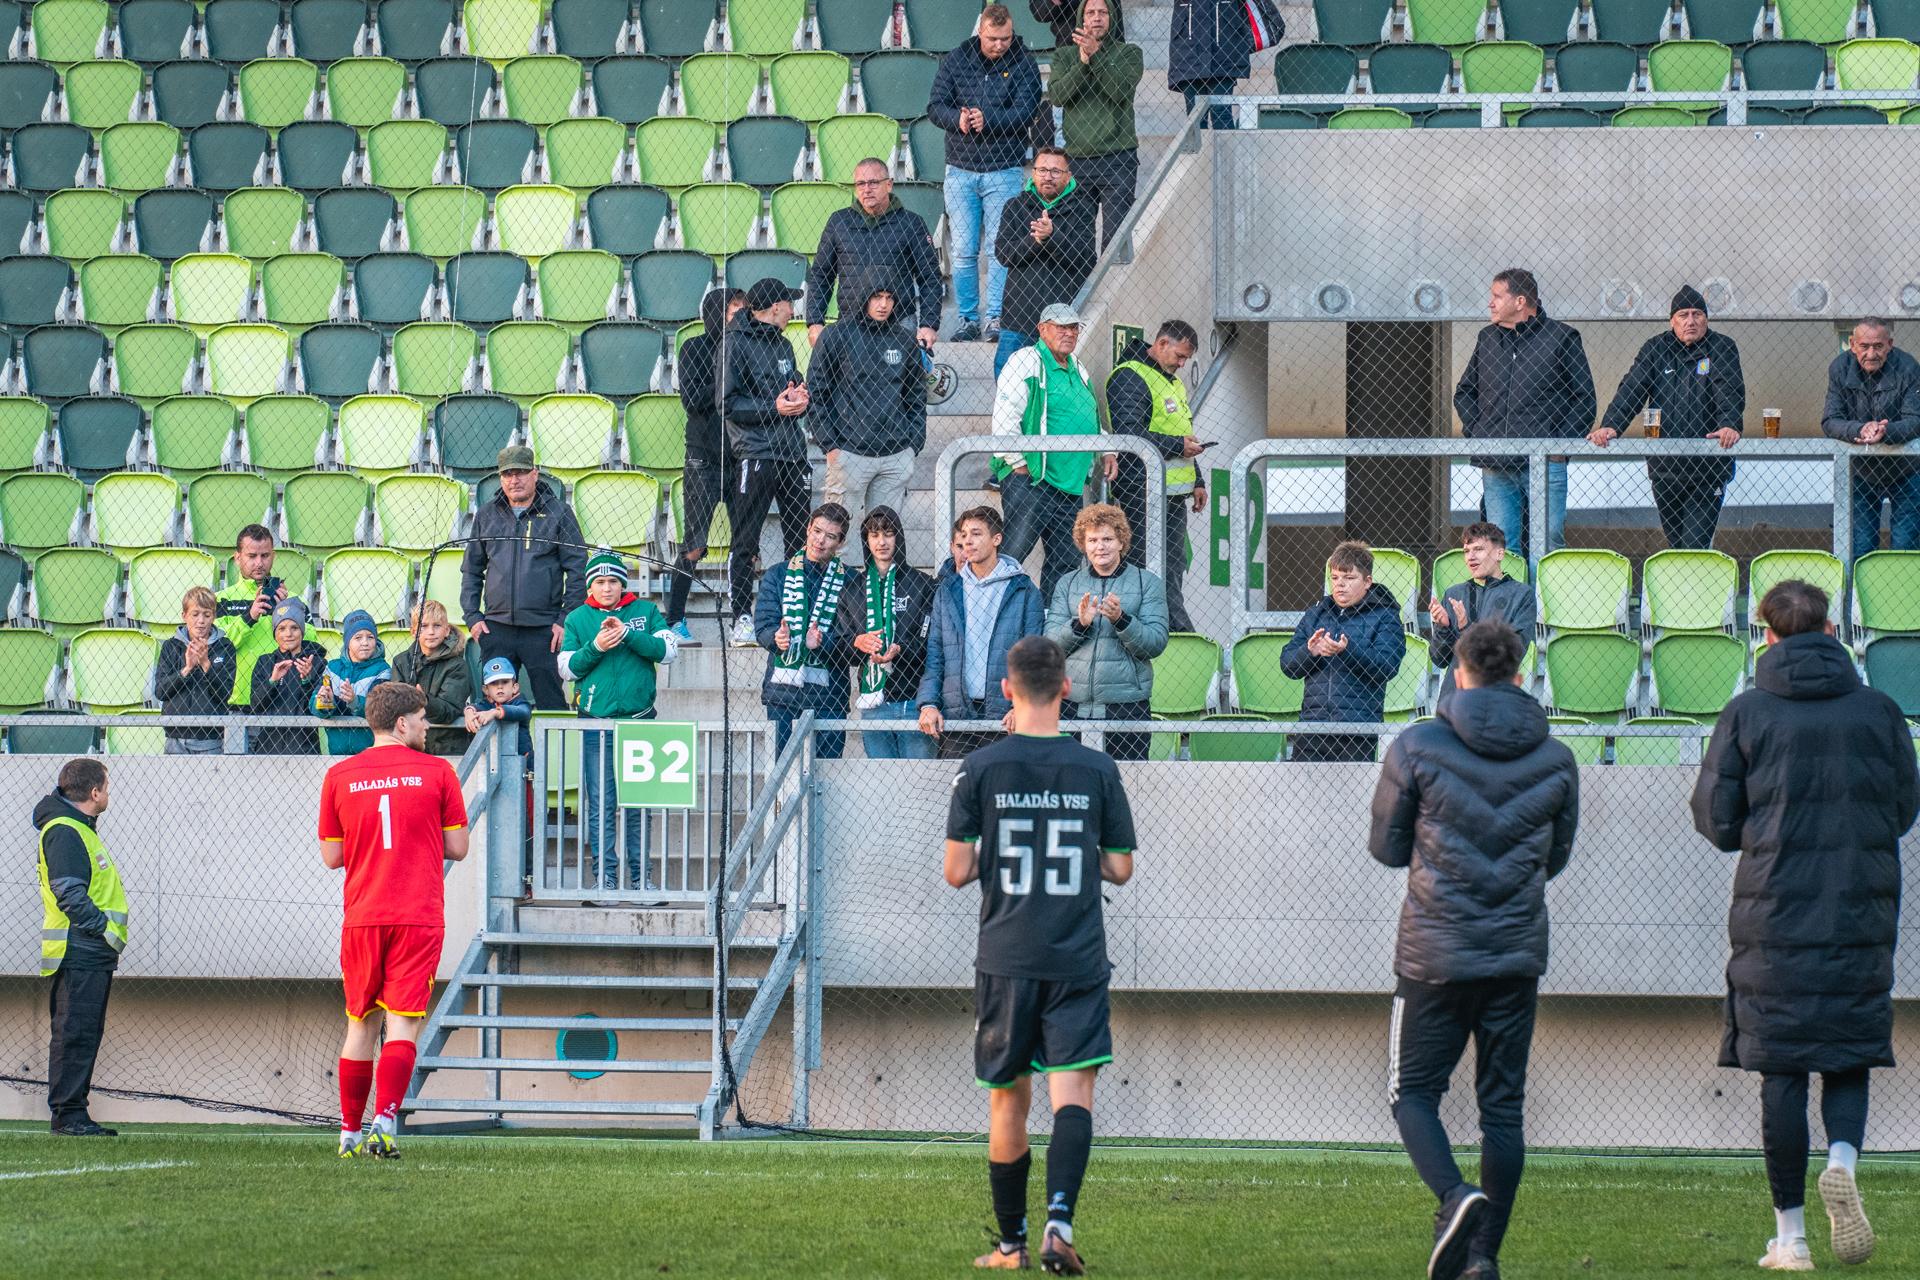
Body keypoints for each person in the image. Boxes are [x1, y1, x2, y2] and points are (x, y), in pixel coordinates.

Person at [1691, 579, 1920, 1272]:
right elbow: (1903, 808)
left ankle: (1790, 1239)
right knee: (1848, 1054)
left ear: (1766, 635)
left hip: (1774, 911)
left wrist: (1766, 831)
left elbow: (1716, 819)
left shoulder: (1746, 712)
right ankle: (1842, 1161)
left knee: (1782, 1070)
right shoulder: (1880, 711)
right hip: (1860, 907)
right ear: (1830, 631)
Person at [1369, 619, 1580, 1280]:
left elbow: (1387, 848)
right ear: (1518, 675)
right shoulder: (1556, 757)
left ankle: (1454, 1196)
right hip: (1515, 953)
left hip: (1435, 950)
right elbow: (1555, 858)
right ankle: (1483, 1257)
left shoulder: (1418, 744)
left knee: (1412, 1093)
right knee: (1503, 1110)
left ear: (1458, 673)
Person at [943, 635, 1136, 1275]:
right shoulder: (1098, 769)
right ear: (1066, 689)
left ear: (1007, 689)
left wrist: (1002, 845)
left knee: (1008, 1101)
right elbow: (1120, 867)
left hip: (1007, 957)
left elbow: (956, 870)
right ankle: (1060, 1224)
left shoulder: (980, 768)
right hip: (1076, 955)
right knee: (1072, 1092)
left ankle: (1011, 1246)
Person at [319, 682, 470, 1159]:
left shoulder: (339, 775)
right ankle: (384, 1124)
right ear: (402, 723)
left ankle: (348, 1134)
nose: (427, 727)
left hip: (363, 915)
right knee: (403, 1024)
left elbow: (331, 856)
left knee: (360, 1025)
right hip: (416, 915)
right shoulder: (438, 771)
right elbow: (459, 848)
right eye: (423, 719)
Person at [1454, 268, 1596, 559]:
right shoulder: (1487, 338)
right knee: (1502, 548)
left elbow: (1584, 399)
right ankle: (1512, 592)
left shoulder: (1562, 338)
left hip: (1545, 463)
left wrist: (1558, 447)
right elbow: (1465, 392)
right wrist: (1480, 433)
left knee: (1548, 544)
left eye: (1497, 296)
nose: (1490, 303)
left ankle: (1542, 593)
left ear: (1520, 301)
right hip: (1496, 463)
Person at [559, 551, 679, 895]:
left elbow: (669, 652)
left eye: (613, 581)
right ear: (590, 586)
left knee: (640, 804)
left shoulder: (646, 611)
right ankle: (605, 879)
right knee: (601, 804)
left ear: (623, 584)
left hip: (640, 722)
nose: (607, 588)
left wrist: (628, 635)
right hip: (596, 725)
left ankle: (641, 879)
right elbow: (566, 669)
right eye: (599, 582)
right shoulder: (578, 618)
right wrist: (596, 647)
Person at [1591, 285, 1745, 551]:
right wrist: (1611, 425)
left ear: (1706, 319)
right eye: (1683, 315)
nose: (1690, 321)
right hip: (1665, 469)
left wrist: (1729, 425)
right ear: (1672, 320)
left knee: (1694, 546)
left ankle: (1695, 577)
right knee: (1676, 545)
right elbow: (1632, 389)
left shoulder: (1722, 347)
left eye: (1697, 314)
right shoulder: (1656, 349)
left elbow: (1729, 391)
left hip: (1708, 469)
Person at [927, 4, 1043, 345]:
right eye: (993, 39)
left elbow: (1027, 111)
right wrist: (958, 119)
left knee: (998, 249)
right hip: (960, 169)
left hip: (1004, 169)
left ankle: (996, 317)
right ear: (981, 32)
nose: (1000, 45)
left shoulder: (1024, 61)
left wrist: (987, 119)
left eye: (1005, 38)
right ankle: (967, 320)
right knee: (963, 250)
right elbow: (935, 106)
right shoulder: (957, 58)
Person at [992, 303, 1118, 603]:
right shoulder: (1025, 361)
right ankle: (994, 616)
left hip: (1069, 486)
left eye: (1073, 327)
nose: (1068, 333)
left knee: (1065, 563)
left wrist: (1107, 449)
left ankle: (1051, 623)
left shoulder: (1078, 366)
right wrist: (1019, 463)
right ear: (1042, 329)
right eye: (1061, 327)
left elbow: (1087, 420)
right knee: (1012, 557)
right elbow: (1005, 417)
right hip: (1033, 479)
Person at [36, 757, 126, 1137]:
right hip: (80, 951)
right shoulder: (66, 830)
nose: (108, 794)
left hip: (88, 952)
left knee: (83, 1034)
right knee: (74, 1035)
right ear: (94, 792)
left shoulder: (77, 829)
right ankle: (68, 1117)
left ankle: (73, 1115)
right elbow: (70, 894)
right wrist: (104, 932)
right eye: (106, 787)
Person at [461, 444, 587, 710]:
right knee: (494, 705)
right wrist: (472, 616)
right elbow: (472, 569)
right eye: (507, 474)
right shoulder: (487, 514)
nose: (514, 480)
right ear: (500, 478)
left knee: (551, 703)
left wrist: (565, 619)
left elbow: (578, 569)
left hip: (544, 629)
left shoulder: (559, 513)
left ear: (534, 474)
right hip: (496, 627)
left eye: (520, 472)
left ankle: (555, 741)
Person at [725, 276, 814, 647]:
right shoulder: (734, 343)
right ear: (775, 306)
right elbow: (728, 405)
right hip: (756, 453)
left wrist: (799, 396)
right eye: (789, 303)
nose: (793, 311)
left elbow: (790, 389)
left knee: (800, 540)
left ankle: (795, 615)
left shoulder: (784, 344)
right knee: (746, 539)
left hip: (792, 452)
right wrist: (773, 407)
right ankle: (741, 618)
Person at [918, 506, 1045, 759]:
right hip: (956, 715)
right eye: (964, 535)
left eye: (976, 534)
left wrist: (1024, 705)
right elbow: (936, 654)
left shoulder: (1023, 589)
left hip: (1006, 717)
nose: (967, 541)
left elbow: (1035, 657)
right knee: (957, 783)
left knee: (1003, 784)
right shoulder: (948, 589)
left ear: (996, 539)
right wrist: (928, 704)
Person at [1044, 503, 1168, 761]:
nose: (1100, 547)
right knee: (1072, 780)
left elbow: (1155, 643)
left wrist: (1121, 620)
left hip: (1126, 708)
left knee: (1127, 780)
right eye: (1092, 540)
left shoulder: (1147, 583)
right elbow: (1050, 647)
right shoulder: (1067, 583)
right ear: (1083, 544)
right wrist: (1079, 625)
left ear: (1121, 541)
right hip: (1071, 706)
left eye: (1108, 539)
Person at [810, 273, 927, 536]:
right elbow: (817, 391)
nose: (883, 304)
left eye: (889, 298)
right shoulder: (836, 336)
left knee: (884, 541)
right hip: (848, 451)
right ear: (864, 297)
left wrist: (914, 443)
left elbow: (916, 394)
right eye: (877, 297)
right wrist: (830, 445)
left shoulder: (904, 339)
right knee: (839, 538)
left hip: (895, 453)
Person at [1107, 319, 1205, 631]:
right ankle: (1165, 630)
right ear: (1161, 344)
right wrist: (1178, 445)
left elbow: (1181, 432)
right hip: (1142, 489)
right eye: (1180, 356)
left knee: (1172, 565)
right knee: (1146, 565)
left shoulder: (1172, 382)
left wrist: (1197, 480)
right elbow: (1130, 434)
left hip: (1172, 493)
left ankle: (1169, 628)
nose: (1182, 363)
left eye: (1186, 358)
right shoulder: (1129, 376)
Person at [665, 286, 746, 645]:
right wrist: (727, 376)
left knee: (745, 545)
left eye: (743, 311)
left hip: (741, 455)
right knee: (694, 544)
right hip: (703, 457)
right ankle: (674, 621)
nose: (740, 317)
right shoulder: (695, 348)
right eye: (733, 310)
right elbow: (694, 400)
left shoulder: (747, 346)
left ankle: (741, 619)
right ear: (717, 313)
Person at [1280, 541, 1407, 763]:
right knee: (1303, 785)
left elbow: (1387, 667)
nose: (1340, 584)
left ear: (1367, 581)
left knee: (1355, 786)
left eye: (1349, 578)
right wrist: (1310, 651)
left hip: (1357, 730)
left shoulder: (1385, 616)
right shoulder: (1316, 614)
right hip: (1312, 727)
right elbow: (1288, 665)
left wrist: (1348, 651)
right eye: (1335, 577)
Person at [804, 159, 942, 355]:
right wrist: (814, 322)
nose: (866, 189)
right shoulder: (839, 222)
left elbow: (930, 277)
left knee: (901, 375)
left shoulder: (911, 223)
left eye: (873, 182)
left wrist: (929, 324)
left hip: (899, 323)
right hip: (850, 323)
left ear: (889, 184)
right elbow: (821, 275)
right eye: (860, 184)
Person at [838, 505, 937, 760]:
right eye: (874, 535)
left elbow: (931, 640)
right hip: (873, 701)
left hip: (914, 700)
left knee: (919, 778)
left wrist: (900, 649)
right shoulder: (852, 589)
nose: (881, 542)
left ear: (898, 537)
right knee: (879, 779)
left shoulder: (922, 583)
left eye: (888, 534)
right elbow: (841, 644)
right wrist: (858, 643)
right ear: (866, 541)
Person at [755, 504, 852, 760]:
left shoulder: (850, 579)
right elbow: (763, 625)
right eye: (817, 531)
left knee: (829, 772)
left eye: (830, 536)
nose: (820, 540)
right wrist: (777, 638)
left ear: (840, 542)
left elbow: (853, 639)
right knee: (782, 769)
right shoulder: (777, 574)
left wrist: (823, 642)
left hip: (831, 695)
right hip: (783, 695)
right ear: (808, 529)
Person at [993, 148, 1099, 379]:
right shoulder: (1015, 206)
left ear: (1068, 176)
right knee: (1008, 382)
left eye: (1055, 171)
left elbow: (1085, 259)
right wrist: (1036, 241)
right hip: (1018, 316)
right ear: (1033, 173)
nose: (1047, 176)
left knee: (1055, 386)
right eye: (1042, 170)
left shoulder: (1082, 209)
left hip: (1060, 321)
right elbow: (1004, 253)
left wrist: (1052, 237)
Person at [1820, 317, 1920, 561]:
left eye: (1878, 346)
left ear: (1890, 345)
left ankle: (1903, 588)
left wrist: (1887, 431)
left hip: (1905, 469)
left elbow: (1915, 420)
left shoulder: (1908, 367)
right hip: (1860, 470)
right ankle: (1858, 589)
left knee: (1905, 548)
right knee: (1861, 548)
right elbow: (1830, 420)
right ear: (1852, 344)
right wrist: (1860, 428)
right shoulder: (1840, 368)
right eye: (1864, 346)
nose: (1871, 354)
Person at [1047, 0, 1141, 249]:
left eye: (1103, 12)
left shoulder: (1129, 53)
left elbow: (1119, 91)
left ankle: (1112, 278)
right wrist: (1083, 63)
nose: (1097, 18)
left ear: (1112, 17)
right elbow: (1057, 96)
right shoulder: (1064, 55)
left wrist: (1096, 55)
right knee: (1078, 245)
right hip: (1077, 161)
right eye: (1091, 12)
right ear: (1082, 18)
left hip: (1118, 160)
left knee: (1114, 244)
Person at [1427, 523, 1535, 701]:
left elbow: (1513, 654)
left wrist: (1465, 628)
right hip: (1454, 701)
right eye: (1466, 551)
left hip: (1496, 700)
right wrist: (1442, 628)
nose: (1471, 557)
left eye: (1478, 549)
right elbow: (1439, 659)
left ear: (1499, 554)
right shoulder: (1454, 594)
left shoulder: (1521, 595)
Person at [214, 523, 291, 711]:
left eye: (265, 556)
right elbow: (216, 648)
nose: (259, 563)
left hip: (281, 701)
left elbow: (310, 646)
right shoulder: (220, 600)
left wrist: (286, 614)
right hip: (234, 703)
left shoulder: (294, 601)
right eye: (252, 556)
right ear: (237, 558)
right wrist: (249, 617)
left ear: (273, 556)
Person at [156, 585, 236, 755]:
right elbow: (161, 691)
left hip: (210, 738)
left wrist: (206, 664)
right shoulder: (171, 646)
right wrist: (187, 669)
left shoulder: (225, 647)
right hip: (175, 738)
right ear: (184, 615)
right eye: (195, 614)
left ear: (213, 616)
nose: (201, 621)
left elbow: (224, 693)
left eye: (207, 615)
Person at [393, 600, 475, 758]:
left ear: (446, 630)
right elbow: (396, 706)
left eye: (437, 625)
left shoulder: (458, 665)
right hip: (410, 747)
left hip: (448, 747)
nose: (431, 632)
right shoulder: (401, 662)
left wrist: (424, 700)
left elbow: (449, 710)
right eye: (424, 626)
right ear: (413, 631)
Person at [249, 597, 327, 755]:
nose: (288, 634)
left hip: (304, 747)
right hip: (268, 747)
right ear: (275, 633)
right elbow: (256, 705)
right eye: (281, 628)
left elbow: (319, 708)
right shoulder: (265, 662)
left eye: (294, 628)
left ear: (302, 631)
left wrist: (307, 680)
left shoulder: (318, 663)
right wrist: (272, 682)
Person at [312, 609, 392, 757]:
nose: (365, 643)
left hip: (371, 755)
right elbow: (314, 705)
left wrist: (355, 701)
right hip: (336, 754)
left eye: (370, 637)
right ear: (347, 641)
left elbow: (380, 709)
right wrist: (324, 702)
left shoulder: (383, 670)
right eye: (358, 637)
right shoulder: (332, 668)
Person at [1168, 0, 1255, 129]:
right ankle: (1201, 143)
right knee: (1195, 116)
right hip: (1189, 49)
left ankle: (1225, 143)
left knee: (1221, 113)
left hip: (1224, 46)